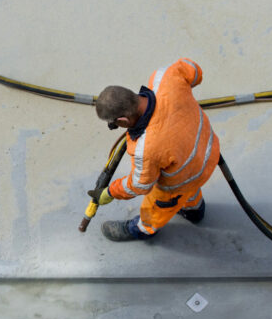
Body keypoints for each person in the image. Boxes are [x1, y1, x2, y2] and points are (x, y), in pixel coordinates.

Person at [88, 58, 220, 241]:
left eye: (114, 124)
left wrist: (111, 192)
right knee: (190, 189)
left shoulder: (147, 148)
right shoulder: (165, 78)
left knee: (158, 206)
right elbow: (193, 69)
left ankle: (141, 230)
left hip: (180, 180)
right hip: (208, 152)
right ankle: (194, 211)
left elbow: (140, 184)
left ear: (124, 121)